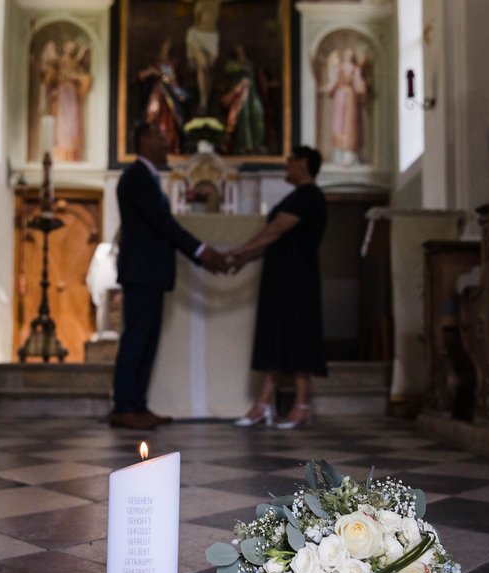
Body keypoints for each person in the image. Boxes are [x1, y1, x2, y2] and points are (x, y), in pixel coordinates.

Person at [110, 122, 228, 429]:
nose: (167, 144)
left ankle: (137, 404)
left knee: (146, 340)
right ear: (145, 138)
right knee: (137, 339)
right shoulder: (135, 176)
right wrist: (201, 252)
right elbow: (163, 224)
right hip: (141, 272)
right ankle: (124, 406)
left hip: (150, 273)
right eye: (162, 138)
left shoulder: (147, 177)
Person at [227, 146, 328, 429]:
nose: (286, 166)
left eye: (290, 162)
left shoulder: (310, 195)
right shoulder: (295, 196)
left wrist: (240, 249)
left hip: (299, 279)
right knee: (273, 336)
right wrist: (245, 258)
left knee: (298, 336)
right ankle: (263, 404)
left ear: (305, 163)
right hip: (280, 278)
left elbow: (278, 229)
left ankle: (302, 404)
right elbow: (274, 241)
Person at [40, 40, 93, 161]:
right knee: (61, 123)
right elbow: (49, 76)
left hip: (71, 95)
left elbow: (81, 77)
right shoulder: (59, 61)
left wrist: (75, 77)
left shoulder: (75, 63)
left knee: (72, 124)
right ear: (64, 48)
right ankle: (60, 153)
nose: (70, 49)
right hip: (62, 94)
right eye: (68, 47)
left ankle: (71, 154)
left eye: (72, 48)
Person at [138, 37, 188, 154]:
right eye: (165, 46)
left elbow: (175, 81)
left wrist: (171, 82)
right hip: (158, 93)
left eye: (169, 47)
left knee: (170, 121)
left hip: (170, 94)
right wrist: (153, 73)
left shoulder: (173, 63)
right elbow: (142, 75)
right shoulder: (155, 62)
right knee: (154, 115)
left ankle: (171, 145)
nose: (166, 49)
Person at [325, 48, 368, 166]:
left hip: (350, 99)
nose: (348, 57)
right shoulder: (340, 68)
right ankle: (339, 153)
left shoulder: (355, 69)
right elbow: (333, 81)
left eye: (350, 55)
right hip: (341, 97)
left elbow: (359, 86)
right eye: (347, 55)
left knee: (350, 124)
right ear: (344, 56)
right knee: (338, 124)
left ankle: (348, 155)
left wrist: (362, 86)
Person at [220, 44, 266, 154]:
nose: (240, 51)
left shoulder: (249, 63)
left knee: (257, 113)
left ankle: (257, 143)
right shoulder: (232, 64)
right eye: (237, 49)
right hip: (239, 95)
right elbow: (230, 69)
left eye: (241, 49)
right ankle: (245, 145)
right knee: (242, 118)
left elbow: (253, 73)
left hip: (251, 95)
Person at [186, 0, 221, 115]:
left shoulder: (213, 33)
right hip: (198, 45)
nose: (207, 17)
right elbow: (191, 48)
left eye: (209, 15)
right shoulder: (193, 32)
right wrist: (191, 57)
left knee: (208, 71)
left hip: (209, 46)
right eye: (205, 14)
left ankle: (205, 99)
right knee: (202, 67)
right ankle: (203, 101)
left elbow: (214, 53)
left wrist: (211, 58)